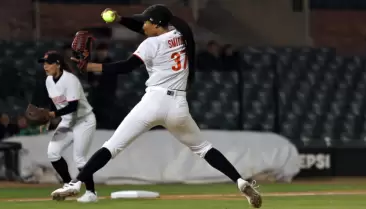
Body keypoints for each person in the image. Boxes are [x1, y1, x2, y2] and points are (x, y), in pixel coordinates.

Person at [51, 4, 262, 208]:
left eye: (146, 22)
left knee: (112, 146)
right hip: (178, 105)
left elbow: (125, 67)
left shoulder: (150, 44)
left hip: (154, 101)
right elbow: (150, 25)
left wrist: (88, 66)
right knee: (204, 148)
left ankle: (75, 184)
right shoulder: (182, 35)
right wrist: (121, 19)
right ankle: (240, 181)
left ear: (156, 24)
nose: (142, 26)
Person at [36, 51, 98, 203]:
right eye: (44, 63)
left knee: (79, 158)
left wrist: (52, 115)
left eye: (48, 63)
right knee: (53, 153)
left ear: (58, 64)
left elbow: (73, 106)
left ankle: (91, 193)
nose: (45, 66)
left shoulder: (70, 80)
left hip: (84, 121)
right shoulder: (49, 80)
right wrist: (48, 120)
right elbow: (54, 102)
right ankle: (68, 185)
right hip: (67, 121)